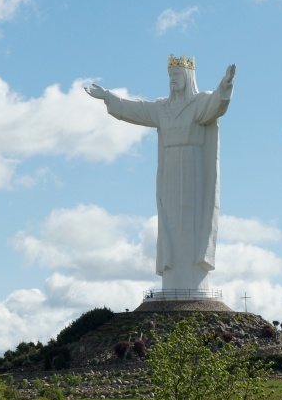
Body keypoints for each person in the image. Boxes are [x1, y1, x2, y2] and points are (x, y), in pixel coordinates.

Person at [85, 56, 235, 291]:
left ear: (188, 77)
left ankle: (195, 281)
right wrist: (108, 97)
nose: (173, 80)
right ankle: (172, 280)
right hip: (170, 172)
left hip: (194, 169)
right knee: (170, 223)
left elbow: (216, 104)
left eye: (177, 76)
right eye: (170, 76)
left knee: (193, 224)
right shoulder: (161, 108)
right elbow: (136, 109)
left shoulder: (198, 103)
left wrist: (225, 84)